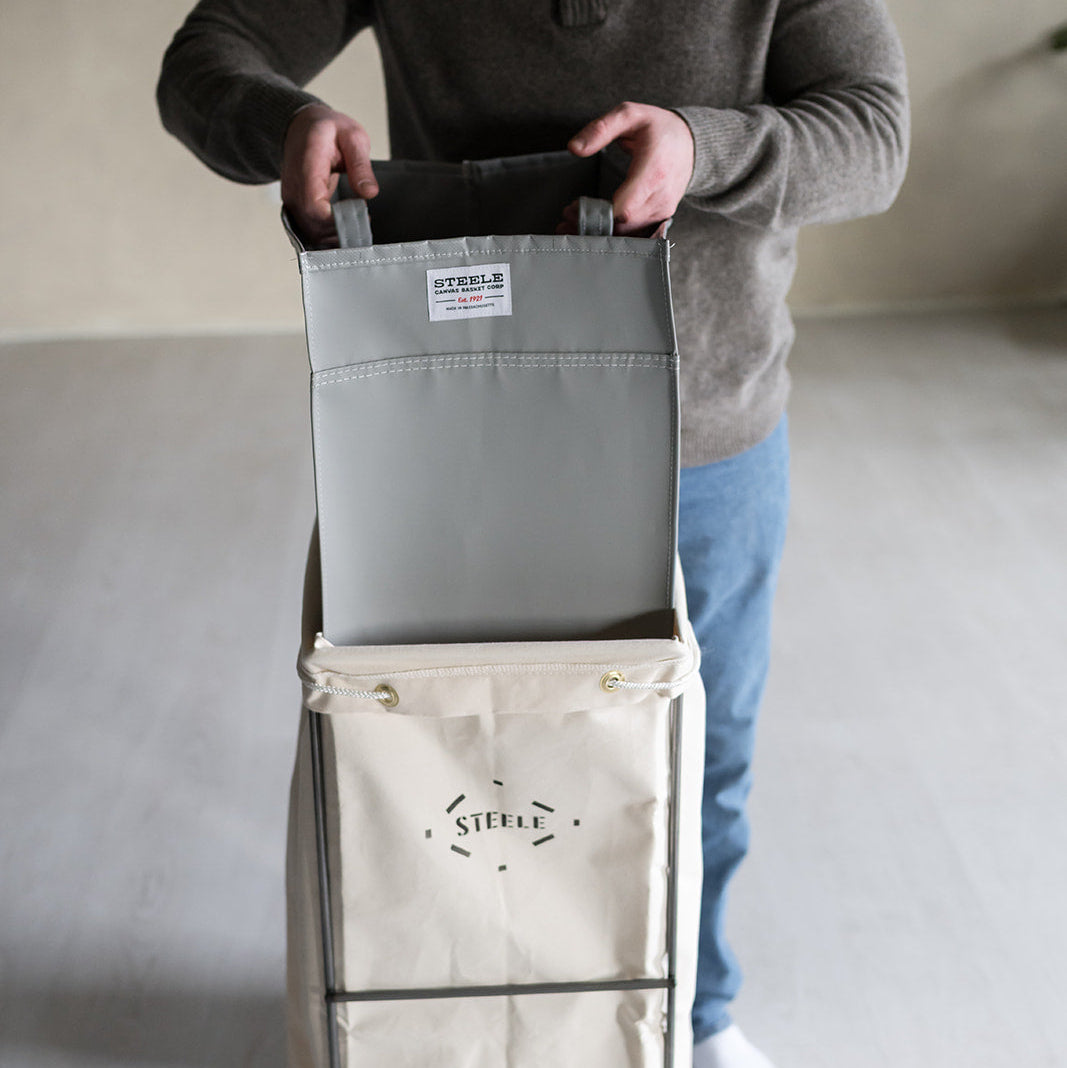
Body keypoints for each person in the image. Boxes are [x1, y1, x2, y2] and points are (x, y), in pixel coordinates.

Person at [158, 3, 908, 1065]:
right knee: (456, 752)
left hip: (708, 429)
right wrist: (282, 121)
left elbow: (873, 136)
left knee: (701, 748)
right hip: (459, 425)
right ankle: (454, 1009)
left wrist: (701, 150)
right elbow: (206, 57)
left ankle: (691, 1013)